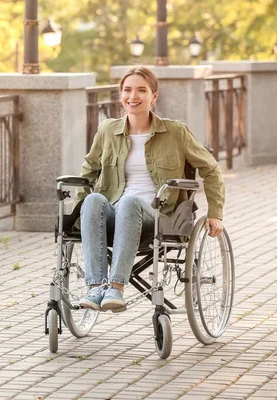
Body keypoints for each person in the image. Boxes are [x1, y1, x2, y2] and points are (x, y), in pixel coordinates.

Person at [76, 66, 225, 313]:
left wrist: (215, 212)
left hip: (159, 217)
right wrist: (82, 209)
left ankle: (116, 287)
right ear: (120, 94)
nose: (133, 96)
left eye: (141, 90)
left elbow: (211, 169)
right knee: (92, 200)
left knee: (130, 202)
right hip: (115, 214)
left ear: (153, 96)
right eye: (127, 90)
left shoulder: (175, 131)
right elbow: (88, 170)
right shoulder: (107, 131)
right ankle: (95, 287)